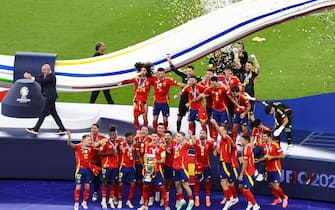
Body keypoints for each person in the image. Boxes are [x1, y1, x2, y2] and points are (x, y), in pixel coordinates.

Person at [24, 64, 66, 135]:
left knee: (43, 113)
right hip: (50, 97)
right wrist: (30, 76)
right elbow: (39, 78)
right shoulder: (45, 75)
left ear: (48, 69)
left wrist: (31, 78)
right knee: (54, 113)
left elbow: (43, 81)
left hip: (50, 97)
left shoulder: (51, 76)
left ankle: (36, 129)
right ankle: (62, 129)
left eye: (43, 70)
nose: (42, 71)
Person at [67, 130, 100, 210]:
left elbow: (97, 145)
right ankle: (76, 203)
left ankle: (84, 202)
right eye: (88, 140)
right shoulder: (78, 147)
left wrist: (101, 142)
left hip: (88, 170)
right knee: (78, 187)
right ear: (83, 140)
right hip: (80, 170)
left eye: (90, 140)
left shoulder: (91, 148)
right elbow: (70, 145)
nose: (90, 141)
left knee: (87, 187)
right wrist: (69, 137)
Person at [137, 132, 170, 210]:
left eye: (156, 136)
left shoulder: (162, 147)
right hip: (148, 170)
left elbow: (163, 160)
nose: (154, 138)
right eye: (153, 136)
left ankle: (166, 206)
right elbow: (145, 155)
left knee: (162, 187)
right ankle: (145, 205)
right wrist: (145, 162)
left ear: (159, 138)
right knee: (145, 187)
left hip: (157, 170)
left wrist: (156, 161)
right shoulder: (148, 146)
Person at [211, 119, 239, 210]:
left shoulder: (227, 138)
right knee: (226, 182)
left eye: (222, 130)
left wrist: (215, 124)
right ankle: (232, 198)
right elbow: (220, 149)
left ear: (226, 132)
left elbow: (222, 134)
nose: (220, 131)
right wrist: (217, 149)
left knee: (224, 182)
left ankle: (229, 199)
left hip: (226, 163)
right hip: (224, 162)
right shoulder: (224, 141)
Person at [168, 56, 201, 132]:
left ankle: (193, 134)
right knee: (179, 117)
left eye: (190, 71)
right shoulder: (184, 76)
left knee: (191, 119)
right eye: (187, 71)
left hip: (192, 101)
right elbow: (174, 70)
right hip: (183, 100)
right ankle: (178, 132)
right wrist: (170, 62)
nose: (188, 73)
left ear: (193, 71)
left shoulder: (197, 79)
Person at [256, 130, 289, 208]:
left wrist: (273, 157)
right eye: (262, 136)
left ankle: (284, 197)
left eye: (264, 136)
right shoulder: (263, 146)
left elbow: (282, 156)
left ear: (269, 137)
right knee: (271, 186)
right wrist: (259, 160)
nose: (263, 138)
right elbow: (266, 156)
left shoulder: (275, 145)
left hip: (276, 169)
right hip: (268, 168)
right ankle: (278, 199)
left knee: (276, 186)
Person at [120, 62, 154, 131]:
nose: (143, 72)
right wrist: (122, 82)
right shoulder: (136, 79)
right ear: (139, 71)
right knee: (135, 117)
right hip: (136, 100)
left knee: (145, 117)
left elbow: (157, 84)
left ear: (147, 71)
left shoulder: (150, 80)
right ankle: (138, 130)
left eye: (144, 70)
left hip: (144, 100)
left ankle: (145, 130)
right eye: (141, 70)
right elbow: (128, 81)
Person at [151, 67, 184, 131]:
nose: (160, 75)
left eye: (162, 74)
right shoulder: (154, 79)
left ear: (164, 74)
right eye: (159, 74)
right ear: (157, 74)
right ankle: (155, 130)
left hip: (165, 102)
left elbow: (178, 83)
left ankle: (165, 130)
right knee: (155, 119)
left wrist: (188, 85)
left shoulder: (168, 80)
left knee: (165, 119)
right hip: (156, 102)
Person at [189, 129, 214, 207]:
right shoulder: (196, 141)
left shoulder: (209, 143)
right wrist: (190, 134)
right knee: (196, 182)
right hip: (197, 165)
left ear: (206, 135)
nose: (202, 134)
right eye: (200, 133)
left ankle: (207, 198)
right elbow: (192, 142)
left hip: (206, 165)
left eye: (203, 133)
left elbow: (213, 150)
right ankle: (196, 198)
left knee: (208, 181)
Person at [99, 126, 122, 209]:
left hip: (115, 166)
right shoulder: (105, 143)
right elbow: (99, 154)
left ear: (116, 134)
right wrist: (110, 153)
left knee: (114, 182)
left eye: (114, 134)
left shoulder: (118, 142)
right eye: (111, 134)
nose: (113, 136)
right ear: (109, 135)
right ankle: (103, 200)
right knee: (105, 182)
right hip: (106, 166)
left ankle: (111, 199)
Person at [173, 132, 194, 210]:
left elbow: (194, 143)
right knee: (177, 184)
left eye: (178, 136)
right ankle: (181, 200)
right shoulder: (175, 144)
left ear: (183, 137)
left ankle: (191, 201)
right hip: (175, 167)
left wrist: (191, 135)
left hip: (183, 168)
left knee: (185, 184)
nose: (177, 137)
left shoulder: (186, 144)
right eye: (176, 136)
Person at [239, 135, 260, 210]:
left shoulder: (246, 149)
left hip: (248, 172)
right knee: (241, 187)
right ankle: (250, 202)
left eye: (241, 140)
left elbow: (245, 163)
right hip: (247, 171)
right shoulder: (247, 147)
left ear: (246, 141)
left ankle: (255, 205)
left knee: (246, 189)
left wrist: (241, 174)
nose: (240, 142)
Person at [118, 131, 137, 209]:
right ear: (126, 138)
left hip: (132, 168)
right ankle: (120, 201)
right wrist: (125, 145)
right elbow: (122, 149)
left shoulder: (134, 146)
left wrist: (134, 144)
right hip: (123, 167)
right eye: (129, 138)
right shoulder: (122, 145)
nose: (131, 139)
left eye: (132, 138)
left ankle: (129, 200)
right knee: (120, 184)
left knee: (133, 184)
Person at [89, 123, 107, 203]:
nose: (93, 130)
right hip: (91, 162)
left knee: (103, 178)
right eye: (92, 128)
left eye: (95, 128)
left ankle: (104, 195)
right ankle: (95, 193)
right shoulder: (88, 138)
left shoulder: (102, 137)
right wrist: (97, 144)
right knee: (95, 178)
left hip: (101, 161)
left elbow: (107, 143)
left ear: (98, 129)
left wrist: (102, 142)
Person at [241, 58, 260, 122]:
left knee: (251, 116)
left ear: (252, 67)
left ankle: (255, 129)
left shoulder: (253, 74)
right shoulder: (243, 74)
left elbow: (258, 68)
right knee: (242, 114)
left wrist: (255, 60)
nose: (247, 67)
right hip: (243, 97)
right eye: (246, 65)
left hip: (250, 97)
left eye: (248, 65)